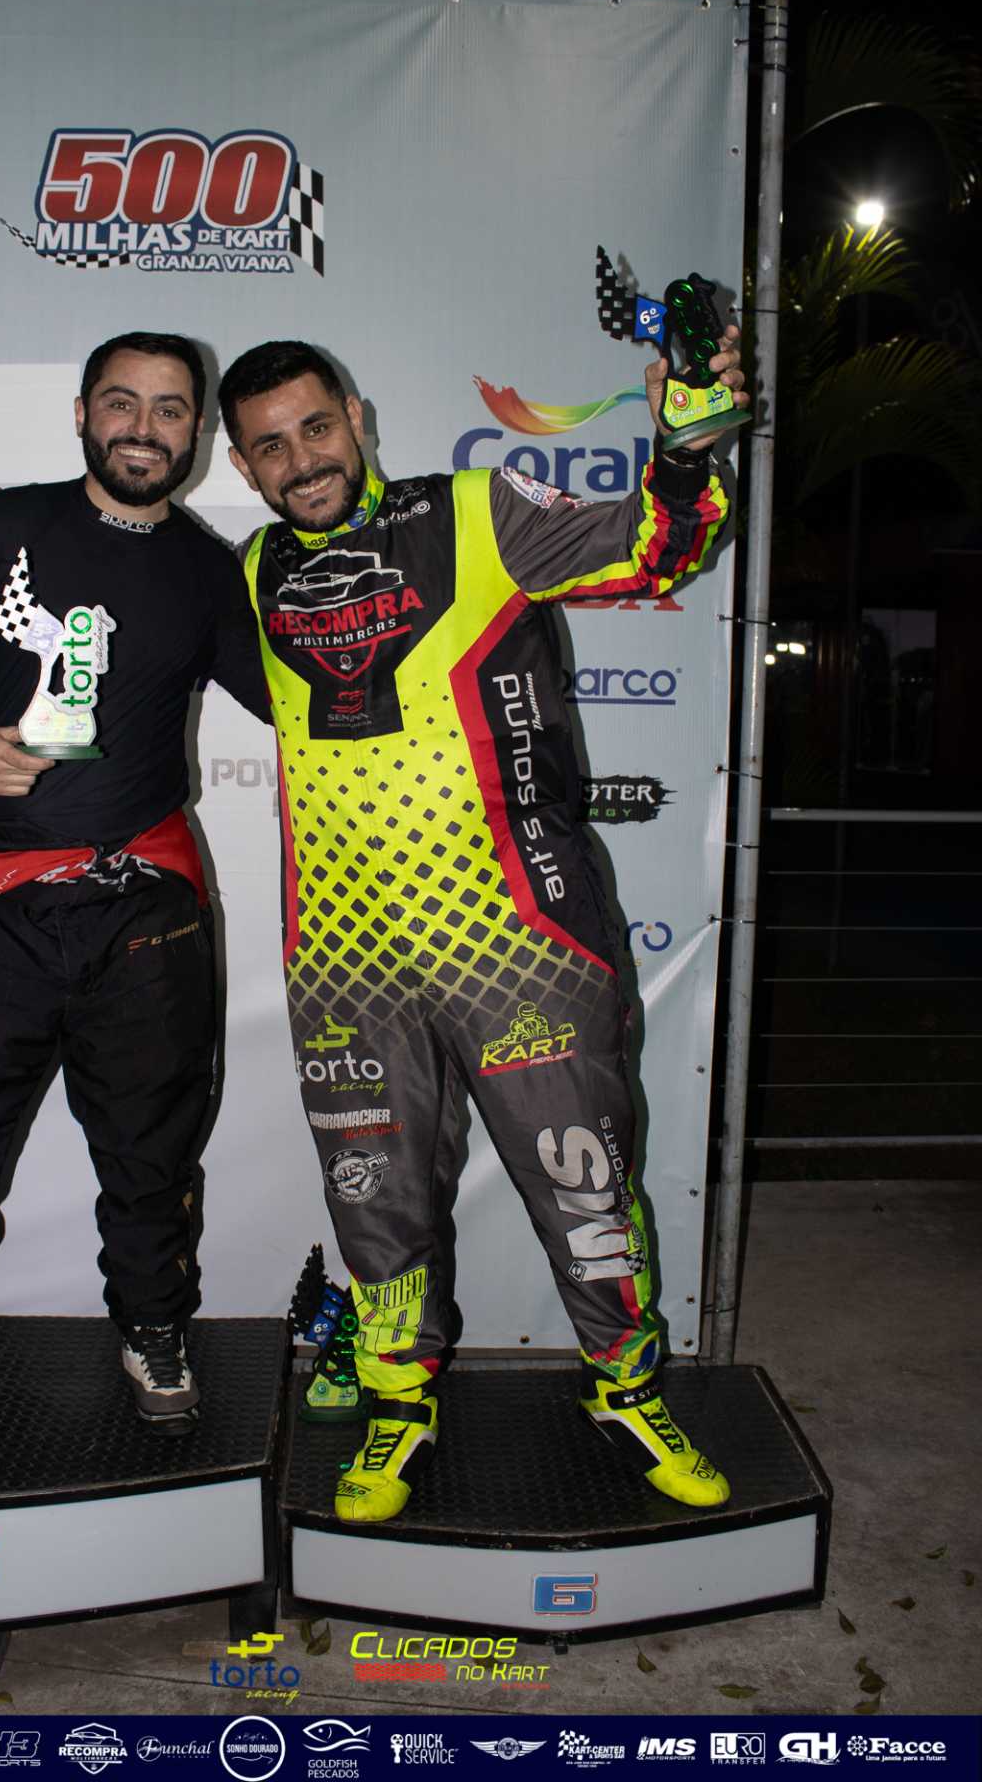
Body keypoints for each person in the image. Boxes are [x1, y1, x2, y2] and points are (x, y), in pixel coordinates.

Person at [218, 334, 745, 1523]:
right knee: (374, 1204)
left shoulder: (474, 511)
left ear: (356, 417)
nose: (300, 460)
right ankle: (397, 1403)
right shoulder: (250, 572)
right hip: (344, 960)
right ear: (243, 467)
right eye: (269, 446)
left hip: (517, 942)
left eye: (315, 428)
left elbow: (657, 548)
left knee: (584, 1194)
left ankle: (625, 1390)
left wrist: (681, 451)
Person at [0, 331, 267, 1446]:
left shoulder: (207, 569)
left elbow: (290, 701)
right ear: (82, 413)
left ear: (197, 432)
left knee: (150, 1152)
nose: (144, 428)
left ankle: (153, 1328)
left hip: (143, 910)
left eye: (169, 410)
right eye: (122, 403)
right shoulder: (2, 529)